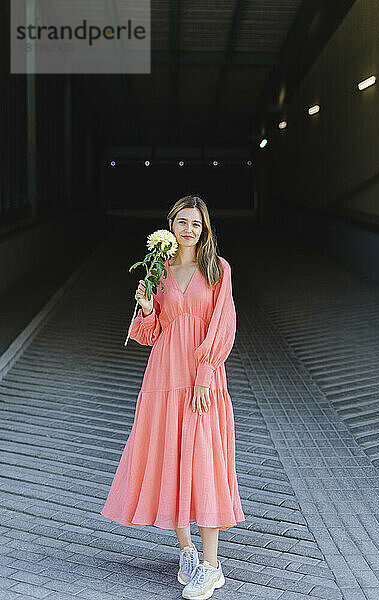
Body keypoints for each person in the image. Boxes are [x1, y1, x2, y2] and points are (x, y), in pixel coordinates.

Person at [100, 195, 245, 600]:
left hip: (202, 380)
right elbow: (150, 334)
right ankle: (186, 551)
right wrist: (146, 308)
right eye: (182, 222)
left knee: (204, 462)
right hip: (163, 378)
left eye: (196, 224)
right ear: (170, 225)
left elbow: (223, 326)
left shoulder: (218, 270)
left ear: (205, 229)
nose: (188, 230)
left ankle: (213, 567)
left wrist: (204, 373)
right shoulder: (157, 272)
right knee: (173, 458)